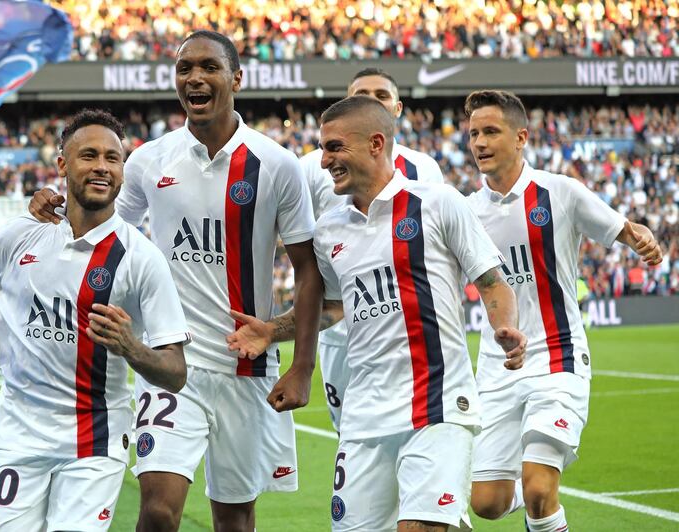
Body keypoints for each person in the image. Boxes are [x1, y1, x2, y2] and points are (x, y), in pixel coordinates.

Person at [28, 31, 322, 532]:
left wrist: (301, 367)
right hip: (171, 366)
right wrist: (51, 205)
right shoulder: (149, 160)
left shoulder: (276, 165)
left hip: (245, 369)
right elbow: (97, 225)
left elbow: (309, 269)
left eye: (208, 67)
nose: (194, 78)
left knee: (234, 518)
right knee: (160, 510)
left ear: (236, 78)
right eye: (185, 69)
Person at [229, 96, 527, 531]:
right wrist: (273, 331)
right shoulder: (330, 228)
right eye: (322, 147)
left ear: (374, 143)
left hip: (435, 405)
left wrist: (505, 326)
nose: (324, 159)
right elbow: (332, 307)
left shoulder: (438, 203)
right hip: (363, 414)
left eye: (333, 147)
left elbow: (492, 282)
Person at [0, 109, 190, 531]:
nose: (101, 167)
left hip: (93, 443)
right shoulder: (24, 233)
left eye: (113, 158)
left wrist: (132, 347)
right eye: (88, 155)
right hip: (18, 435)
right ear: (62, 164)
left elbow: (176, 372)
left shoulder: (141, 259)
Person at [464, 90, 663, 532]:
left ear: (521, 138)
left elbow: (620, 228)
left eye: (490, 131)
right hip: (497, 370)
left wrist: (641, 238)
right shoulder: (465, 212)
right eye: (474, 132)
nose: (479, 142)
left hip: (559, 357)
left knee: (538, 490)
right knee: (487, 504)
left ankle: (541, 491)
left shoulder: (561, 192)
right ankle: (529, 484)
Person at [299, 68, 445, 431]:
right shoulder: (311, 168)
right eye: (360, 93)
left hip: (410, 327)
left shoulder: (423, 168)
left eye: (380, 95)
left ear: (396, 108)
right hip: (341, 327)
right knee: (351, 431)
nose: (370, 99)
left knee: (421, 427)